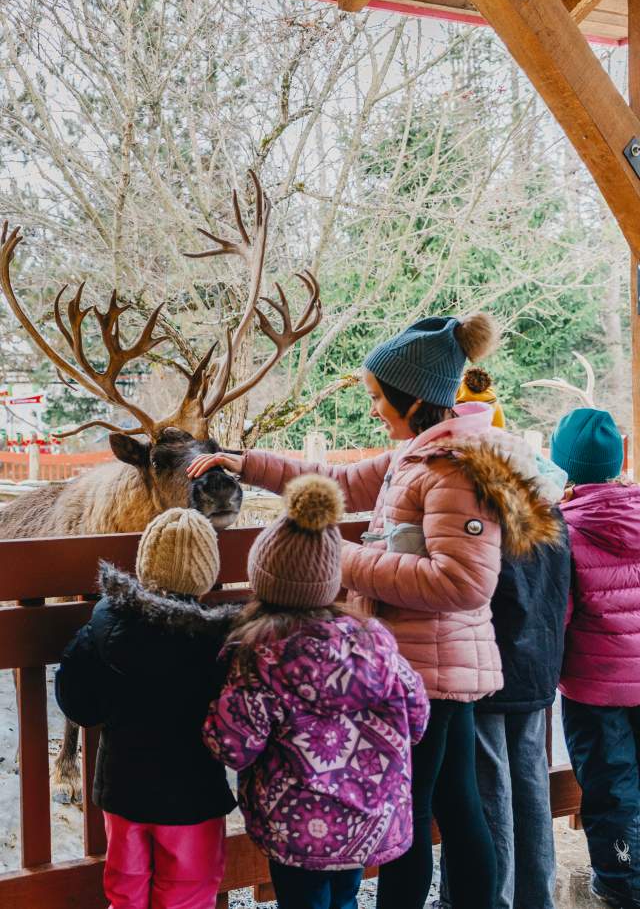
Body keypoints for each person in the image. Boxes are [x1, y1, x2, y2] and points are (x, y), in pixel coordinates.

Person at [189, 313, 562, 909]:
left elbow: (463, 582)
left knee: (412, 812)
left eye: (377, 398)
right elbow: (334, 478)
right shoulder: (414, 456)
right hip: (422, 662)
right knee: (455, 805)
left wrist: (342, 556)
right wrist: (245, 462)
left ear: (413, 400)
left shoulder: (455, 470)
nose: (372, 409)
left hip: (429, 669)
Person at [203, 474, 428, 909]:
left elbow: (233, 746)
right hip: (366, 817)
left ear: (265, 581)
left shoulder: (261, 655)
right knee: (345, 898)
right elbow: (416, 718)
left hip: (296, 827)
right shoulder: (375, 641)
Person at [55, 507, 237, 909]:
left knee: (126, 891)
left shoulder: (104, 625)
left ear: (144, 564)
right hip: (194, 798)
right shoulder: (219, 643)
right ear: (206, 574)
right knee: (188, 893)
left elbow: (78, 704)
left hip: (124, 792)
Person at [439, 452, 571, 909]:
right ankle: (537, 896)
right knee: (531, 781)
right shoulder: (551, 510)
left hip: (488, 669)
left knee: (485, 787)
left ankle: (489, 898)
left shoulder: (478, 515)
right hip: (537, 668)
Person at [550, 407, 640, 909]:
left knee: (610, 788)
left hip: (595, 686)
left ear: (561, 466)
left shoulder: (565, 529)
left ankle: (622, 881)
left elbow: (558, 615)